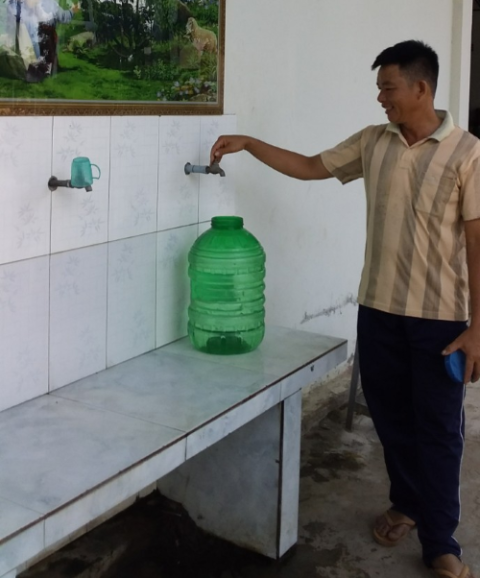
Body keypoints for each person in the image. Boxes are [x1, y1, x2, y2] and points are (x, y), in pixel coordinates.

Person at [210, 40, 480, 578]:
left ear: (420, 88)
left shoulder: (467, 153)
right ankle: (406, 503)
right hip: (378, 310)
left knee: (439, 429)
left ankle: (441, 539)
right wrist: (249, 142)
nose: (380, 98)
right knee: (390, 418)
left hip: (441, 319)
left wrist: (479, 328)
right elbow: (311, 166)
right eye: (379, 88)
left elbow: (478, 241)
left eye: (388, 87)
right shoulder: (373, 142)